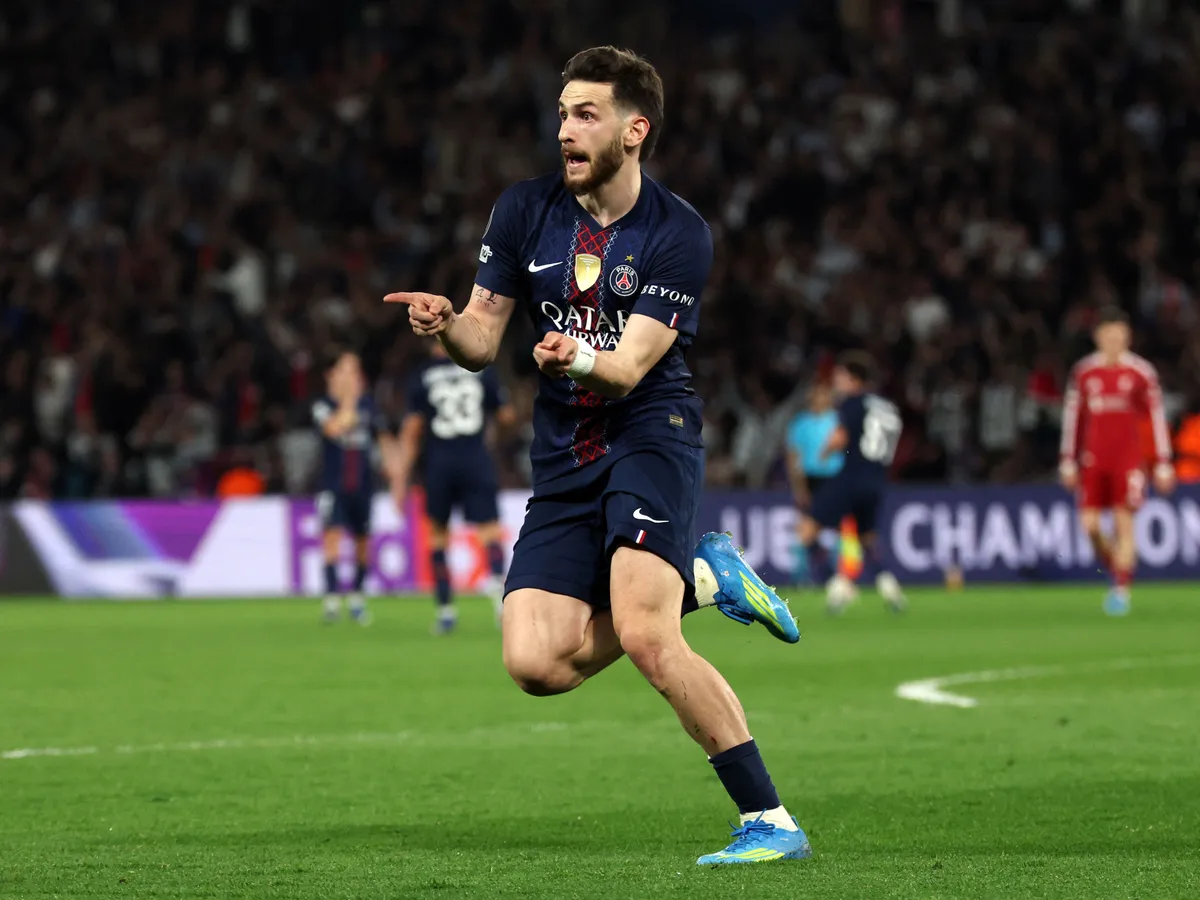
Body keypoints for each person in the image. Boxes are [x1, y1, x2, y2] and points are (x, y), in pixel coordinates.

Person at [385, 46, 810, 867]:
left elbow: (628, 368)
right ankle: (706, 577)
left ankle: (771, 819)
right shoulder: (523, 210)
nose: (565, 131)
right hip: (563, 452)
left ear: (634, 130)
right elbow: (482, 340)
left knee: (648, 638)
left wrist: (575, 355)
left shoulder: (677, 232)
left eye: (585, 115)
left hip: (650, 432)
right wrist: (446, 328)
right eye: (561, 114)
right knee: (534, 663)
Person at [390, 341, 515, 633]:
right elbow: (506, 415)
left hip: (439, 463)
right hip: (476, 458)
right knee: (489, 531)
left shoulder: (422, 375)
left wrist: (400, 478)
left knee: (437, 536)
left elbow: (412, 429)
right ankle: (501, 601)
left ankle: (445, 611)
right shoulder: (482, 369)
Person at [1059, 307, 1174, 615]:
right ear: (1098, 336)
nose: (1114, 340)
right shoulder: (1085, 373)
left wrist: (1163, 462)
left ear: (1127, 337)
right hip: (1093, 460)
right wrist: (1068, 460)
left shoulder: (1141, 373)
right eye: (1108, 334)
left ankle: (1121, 591)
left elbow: (1156, 418)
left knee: (1124, 523)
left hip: (1128, 460)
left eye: (1119, 335)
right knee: (1090, 526)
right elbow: (1074, 420)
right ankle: (1117, 570)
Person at [796, 351, 906, 613]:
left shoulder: (853, 403)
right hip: (877, 480)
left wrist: (825, 451)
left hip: (851, 477)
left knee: (806, 530)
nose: (836, 382)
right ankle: (889, 587)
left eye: (840, 377)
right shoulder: (887, 407)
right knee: (867, 537)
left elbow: (840, 439)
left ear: (854, 379)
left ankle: (836, 585)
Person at [311, 350, 393, 625]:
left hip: (363, 484)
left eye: (355, 371)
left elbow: (382, 437)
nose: (352, 377)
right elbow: (335, 428)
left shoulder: (368, 405)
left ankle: (357, 597)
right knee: (332, 539)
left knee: (362, 542)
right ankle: (332, 600)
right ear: (332, 374)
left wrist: (393, 471)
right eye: (346, 370)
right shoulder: (322, 405)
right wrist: (349, 398)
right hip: (332, 484)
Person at [786, 381, 843, 582]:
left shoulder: (838, 421)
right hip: (810, 479)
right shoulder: (800, 424)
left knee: (836, 528)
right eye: (816, 395)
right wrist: (799, 487)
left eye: (823, 394)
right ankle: (801, 578)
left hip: (834, 479)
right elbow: (793, 457)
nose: (820, 399)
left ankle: (838, 575)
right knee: (806, 528)